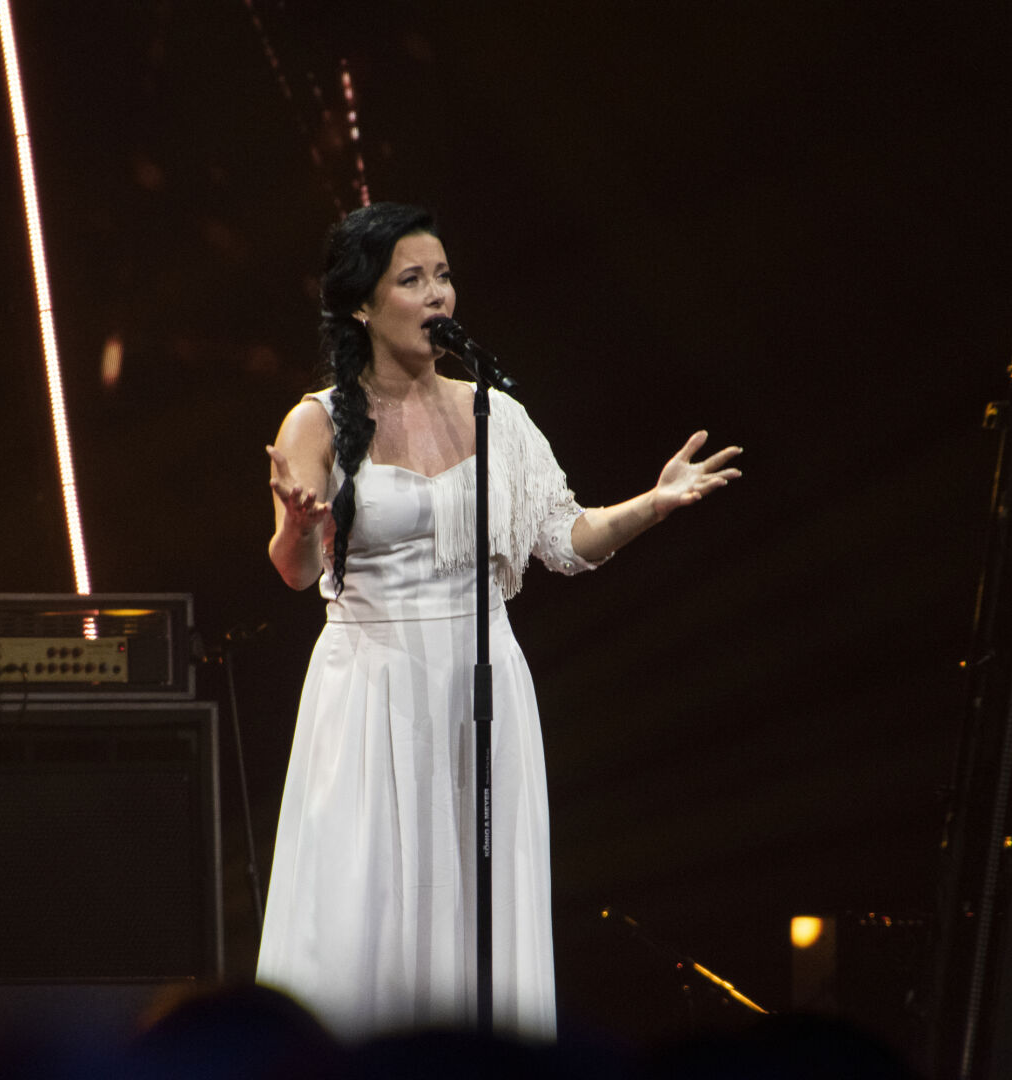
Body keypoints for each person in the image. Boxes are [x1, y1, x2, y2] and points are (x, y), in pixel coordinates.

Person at [256, 202, 742, 1041]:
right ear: (363, 304)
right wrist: (301, 525)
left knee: (478, 899)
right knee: (370, 900)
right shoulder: (317, 421)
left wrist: (653, 505)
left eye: (443, 276)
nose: (437, 294)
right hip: (371, 689)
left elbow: (565, 538)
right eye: (412, 279)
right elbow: (296, 571)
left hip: (481, 684)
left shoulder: (495, 413)